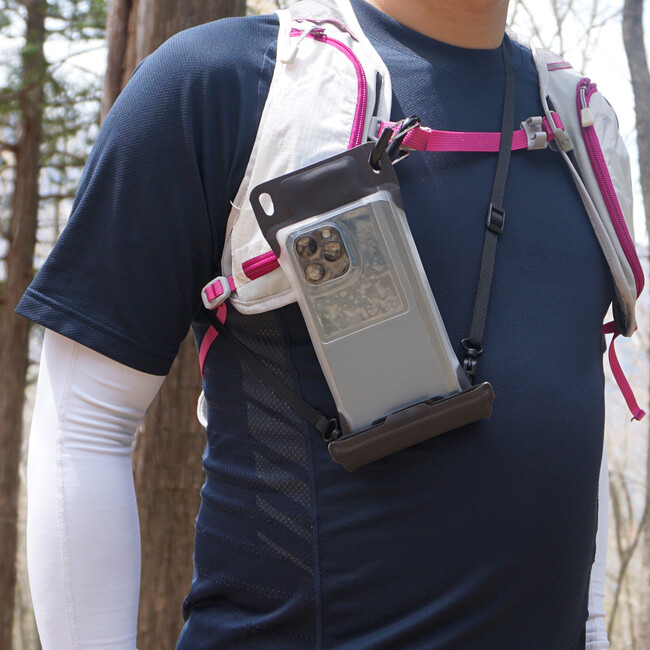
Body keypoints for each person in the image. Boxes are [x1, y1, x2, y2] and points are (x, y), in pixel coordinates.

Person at [18, 0, 622, 647]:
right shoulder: (225, 83)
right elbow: (86, 422)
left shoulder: (579, 122)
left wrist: (591, 630)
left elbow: (569, 407)